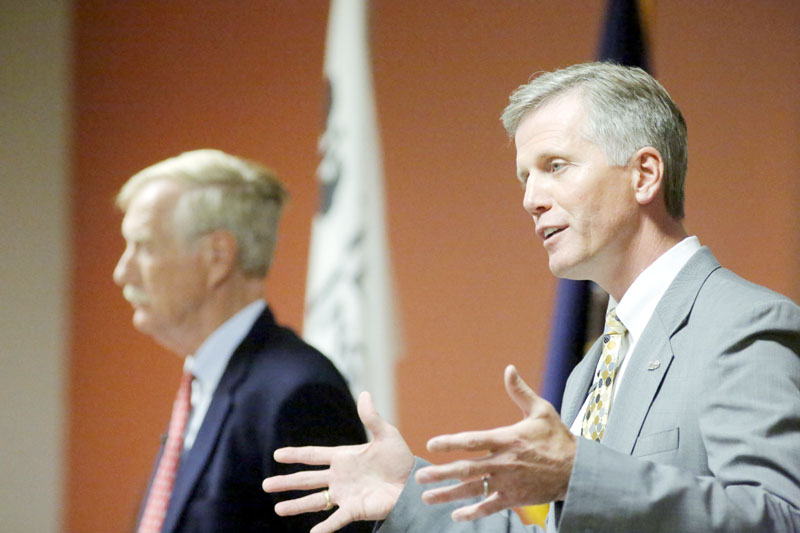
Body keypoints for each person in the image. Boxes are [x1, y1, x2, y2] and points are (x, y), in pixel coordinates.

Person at [261, 62, 800, 532]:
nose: (531, 199)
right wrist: (409, 493)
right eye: (524, 177)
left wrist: (580, 473)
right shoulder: (592, 367)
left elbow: (782, 518)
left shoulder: (743, 324)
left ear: (644, 174)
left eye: (555, 167)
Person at [113, 149, 373, 532]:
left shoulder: (299, 394)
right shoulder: (206, 384)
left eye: (145, 246)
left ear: (218, 257)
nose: (123, 272)